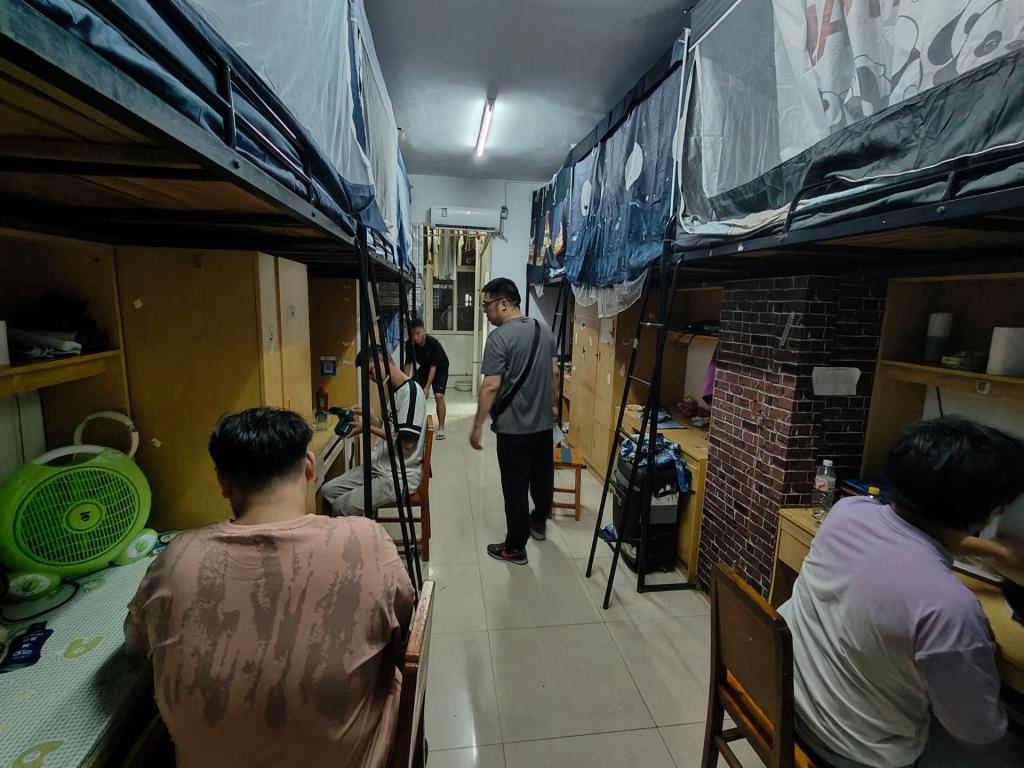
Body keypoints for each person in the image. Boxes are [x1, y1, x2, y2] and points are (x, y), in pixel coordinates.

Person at [124, 408, 415, 768]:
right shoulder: (365, 541)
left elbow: (136, 643)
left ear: (223, 482)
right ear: (309, 467)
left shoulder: (174, 559)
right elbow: (405, 623)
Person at [779, 417, 1024, 768]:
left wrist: (998, 553)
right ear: (988, 512)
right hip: (854, 753)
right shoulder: (950, 608)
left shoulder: (847, 513)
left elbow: (921, 533)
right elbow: (976, 732)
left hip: (788, 702)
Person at [471, 277, 559, 565]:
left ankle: (515, 548)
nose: (485, 311)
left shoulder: (498, 338)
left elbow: (490, 386)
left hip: (513, 430)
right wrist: (553, 405)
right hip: (544, 427)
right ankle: (539, 521)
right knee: (543, 479)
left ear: (504, 304)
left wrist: (477, 425)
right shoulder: (544, 329)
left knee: (515, 487)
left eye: (487, 305)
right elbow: (555, 373)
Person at [321, 344, 427, 517]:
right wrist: (372, 420)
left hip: (399, 475)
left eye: (371, 371)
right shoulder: (395, 392)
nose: (371, 378)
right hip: (380, 466)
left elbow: (407, 442)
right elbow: (391, 429)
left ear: (382, 361)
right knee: (327, 491)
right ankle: (354, 527)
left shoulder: (411, 393)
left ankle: (357, 532)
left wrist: (367, 429)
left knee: (340, 506)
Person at [405, 316, 450, 440]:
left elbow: (433, 368)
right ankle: (415, 424)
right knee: (413, 392)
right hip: (425, 367)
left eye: (418, 333)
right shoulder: (410, 344)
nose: (415, 337)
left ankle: (441, 428)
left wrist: (426, 387)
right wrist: (403, 384)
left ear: (424, 331)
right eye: (412, 334)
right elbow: (407, 365)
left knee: (439, 396)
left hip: (440, 368)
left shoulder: (433, 344)